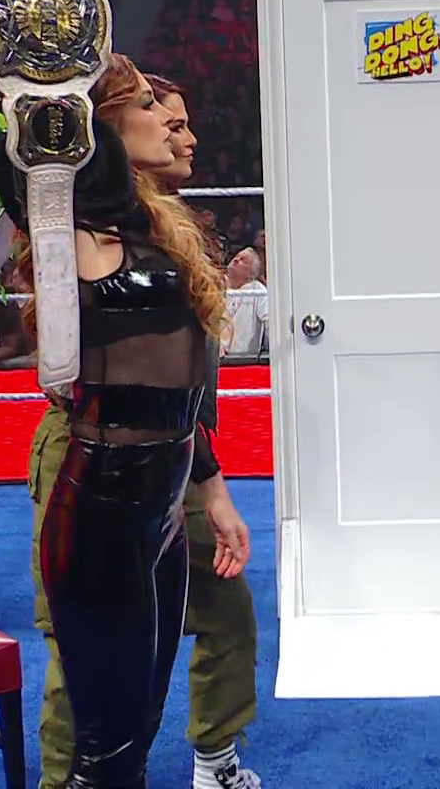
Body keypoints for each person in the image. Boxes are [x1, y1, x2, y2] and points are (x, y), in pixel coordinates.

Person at [39, 67, 266, 789]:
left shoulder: (159, 226)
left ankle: (212, 760)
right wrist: (63, 77)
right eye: (153, 109)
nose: (178, 129)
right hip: (99, 462)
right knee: (89, 685)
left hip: (170, 470)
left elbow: (179, 385)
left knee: (149, 690)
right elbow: (29, 157)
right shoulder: (82, 221)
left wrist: (213, 485)